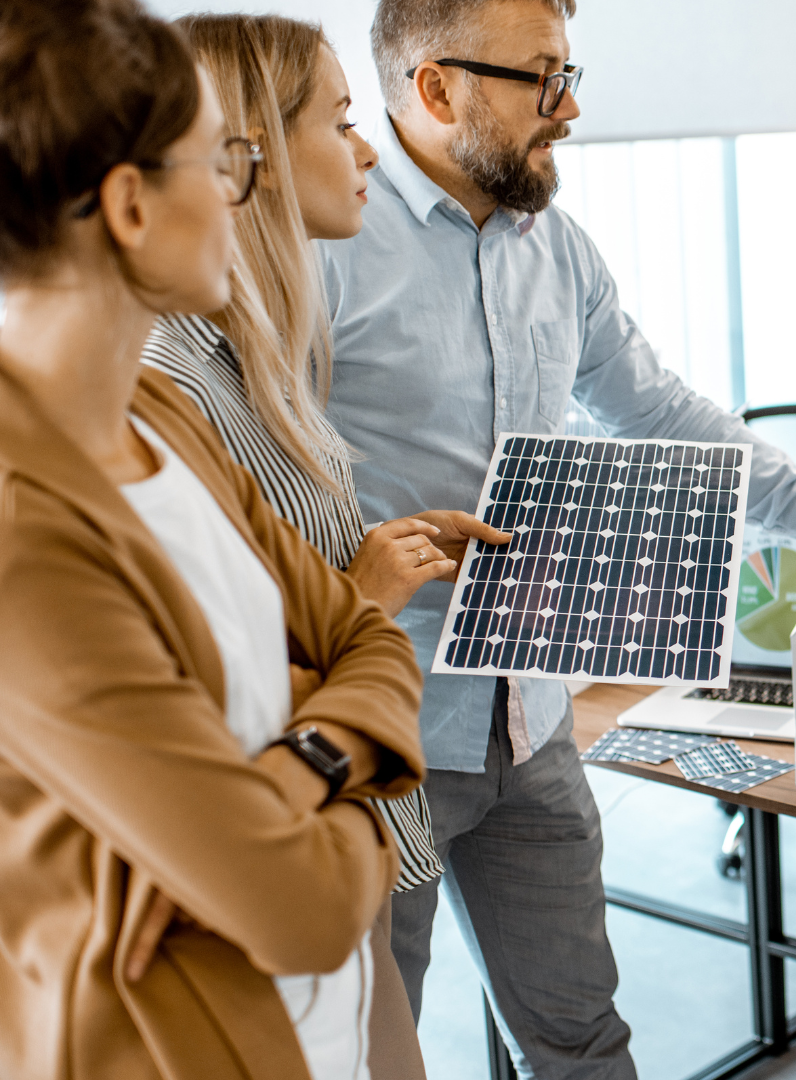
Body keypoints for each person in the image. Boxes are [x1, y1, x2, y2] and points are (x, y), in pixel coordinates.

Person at [320, 0, 796, 1071]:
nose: (569, 110)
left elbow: (662, 413)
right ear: (435, 89)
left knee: (583, 1040)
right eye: (541, 80)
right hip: (391, 735)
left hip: (531, 726)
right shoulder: (322, 248)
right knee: (374, 1050)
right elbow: (248, 480)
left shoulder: (554, 246)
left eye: (571, 73)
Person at [0, 3, 427, 1078]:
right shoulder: (21, 535)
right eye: (225, 160)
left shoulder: (163, 419)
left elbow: (373, 644)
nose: (246, 196)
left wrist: (289, 770)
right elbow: (299, 910)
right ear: (131, 204)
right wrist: (348, 761)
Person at [144, 14, 507, 1079]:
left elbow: (275, 573)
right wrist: (366, 593)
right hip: (291, 848)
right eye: (343, 121)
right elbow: (213, 672)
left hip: (351, 832)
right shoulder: (169, 381)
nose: (367, 150)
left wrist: (368, 549)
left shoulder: (250, 354)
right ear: (244, 150)